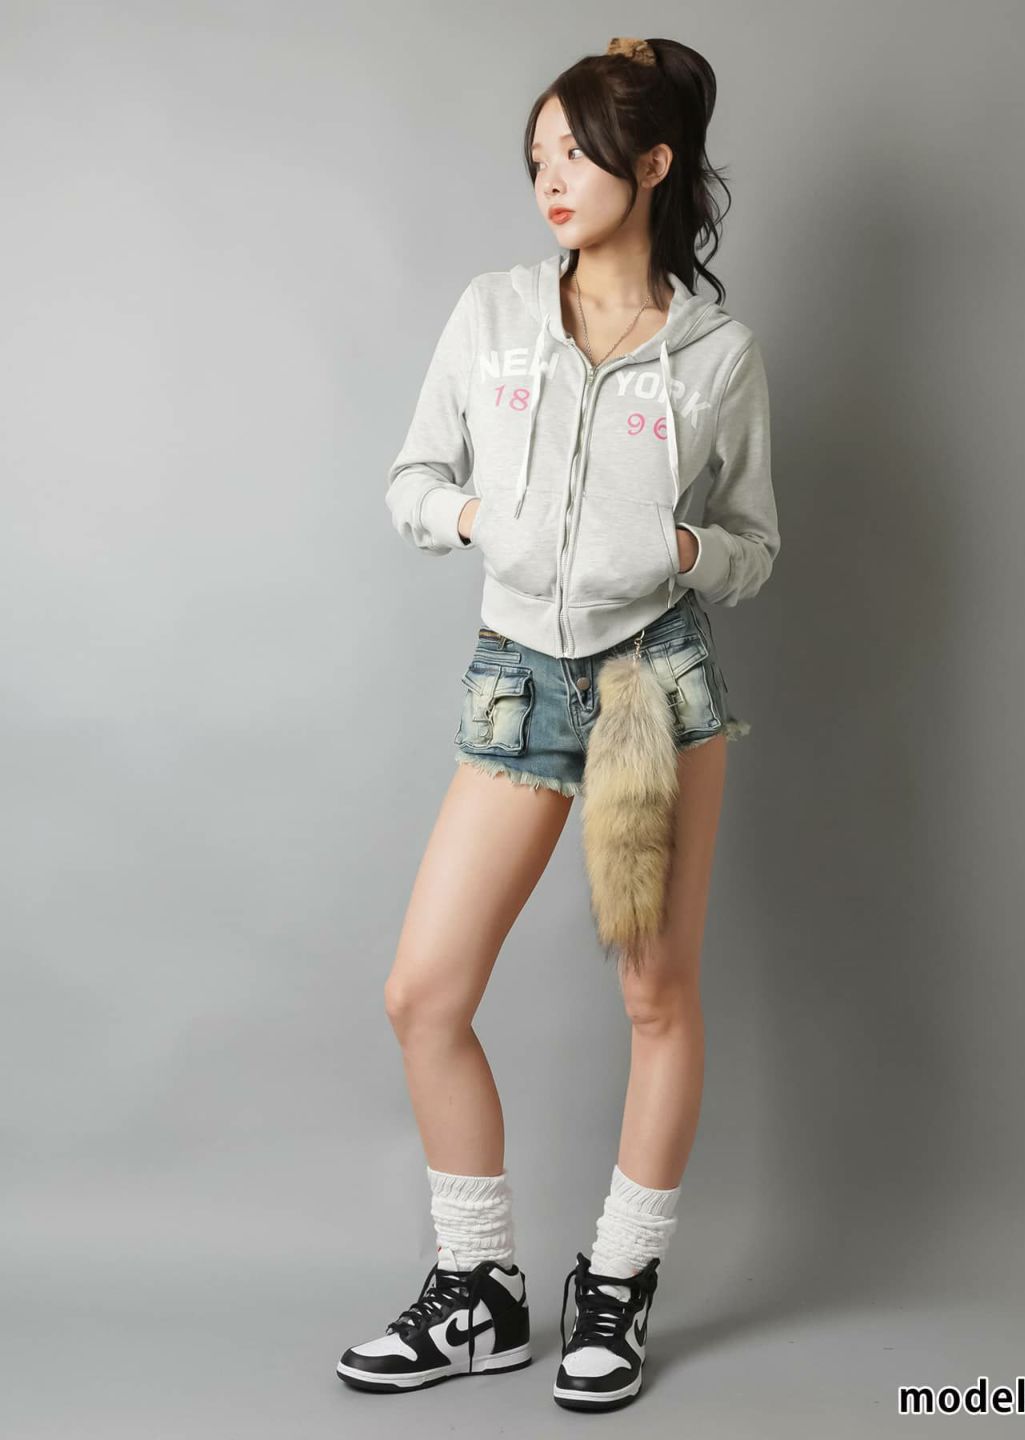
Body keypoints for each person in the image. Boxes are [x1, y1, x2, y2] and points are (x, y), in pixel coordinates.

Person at [336, 35, 780, 1414]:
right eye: (538, 155)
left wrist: (686, 547)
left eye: (578, 153)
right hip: (520, 679)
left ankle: (620, 1285)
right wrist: (481, 517)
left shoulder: (718, 354)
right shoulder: (492, 314)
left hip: (655, 691)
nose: (551, 178)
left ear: (653, 164)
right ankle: (477, 1290)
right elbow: (412, 479)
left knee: (655, 996)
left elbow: (756, 544)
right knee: (424, 993)